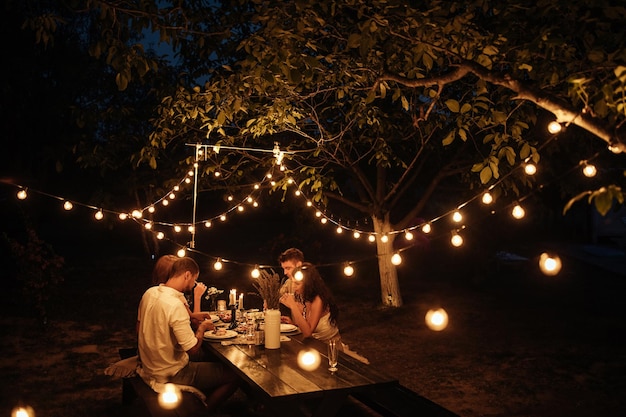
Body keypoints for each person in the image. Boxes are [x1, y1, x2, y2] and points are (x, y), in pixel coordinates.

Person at [136, 257, 240, 412]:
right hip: (172, 372)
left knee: (213, 357)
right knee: (235, 375)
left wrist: (192, 316)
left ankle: (203, 396)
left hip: (152, 363)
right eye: (194, 279)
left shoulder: (150, 293)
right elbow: (192, 348)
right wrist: (202, 328)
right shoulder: (175, 305)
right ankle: (204, 411)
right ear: (187, 275)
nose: (194, 284)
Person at [151, 254, 210, 328]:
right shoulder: (175, 299)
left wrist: (192, 315)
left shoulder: (151, 293)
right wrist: (197, 297)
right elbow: (194, 324)